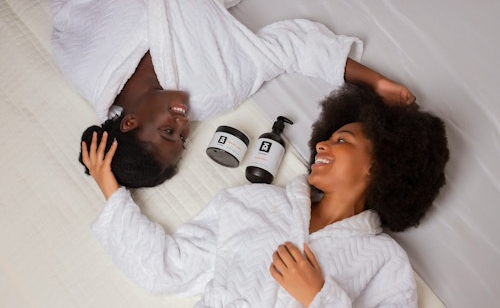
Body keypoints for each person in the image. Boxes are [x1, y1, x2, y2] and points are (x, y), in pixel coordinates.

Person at [82, 83, 449, 307]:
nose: (321, 143)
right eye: (327, 135)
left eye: (342, 140)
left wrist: (318, 298)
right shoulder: (247, 204)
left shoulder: (385, 262)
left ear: (379, 164)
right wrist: (110, 188)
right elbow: (165, 270)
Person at [46, 0, 416, 188]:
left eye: (168, 133)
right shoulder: (214, 89)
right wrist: (374, 82)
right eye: (185, 137)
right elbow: (289, 50)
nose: (183, 122)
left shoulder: (84, 67)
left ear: (130, 122)